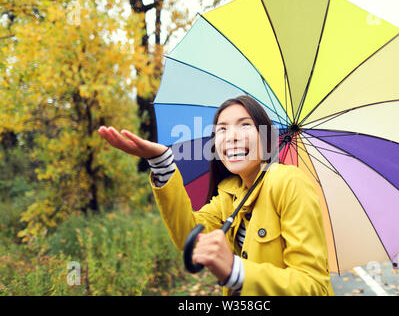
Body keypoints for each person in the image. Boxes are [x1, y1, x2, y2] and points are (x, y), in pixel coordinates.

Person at [98, 95, 334, 296]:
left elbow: (314, 285)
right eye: (222, 128)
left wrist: (235, 271)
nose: (231, 136)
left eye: (244, 125)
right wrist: (161, 162)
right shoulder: (229, 192)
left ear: (266, 138)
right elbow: (189, 236)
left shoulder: (289, 182)